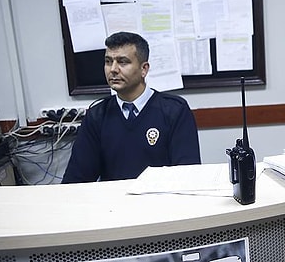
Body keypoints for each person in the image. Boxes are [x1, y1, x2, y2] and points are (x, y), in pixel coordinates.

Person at [62, 31, 201, 183]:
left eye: (123, 62)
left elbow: (187, 176)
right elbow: (76, 179)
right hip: (112, 203)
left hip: (160, 202)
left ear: (144, 69)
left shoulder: (174, 110)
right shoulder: (97, 115)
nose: (113, 69)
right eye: (108, 61)